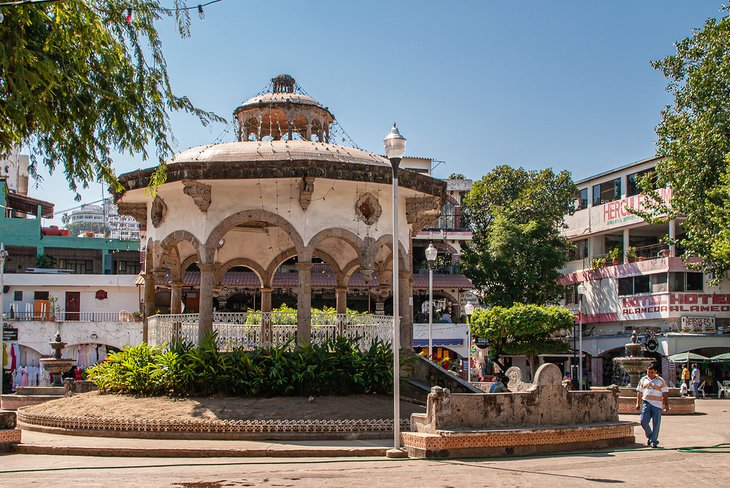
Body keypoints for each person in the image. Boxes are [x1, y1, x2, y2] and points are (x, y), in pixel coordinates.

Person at [636, 363, 670, 448]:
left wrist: (666, 405)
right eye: (648, 372)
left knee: (656, 423)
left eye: (651, 372)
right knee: (643, 421)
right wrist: (638, 403)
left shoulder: (660, 380)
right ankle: (650, 436)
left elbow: (665, 393)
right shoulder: (643, 379)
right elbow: (639, 391)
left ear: (655, 372)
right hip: (646, 403)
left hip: (657, 405)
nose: (650, 374)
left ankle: (653, 441)